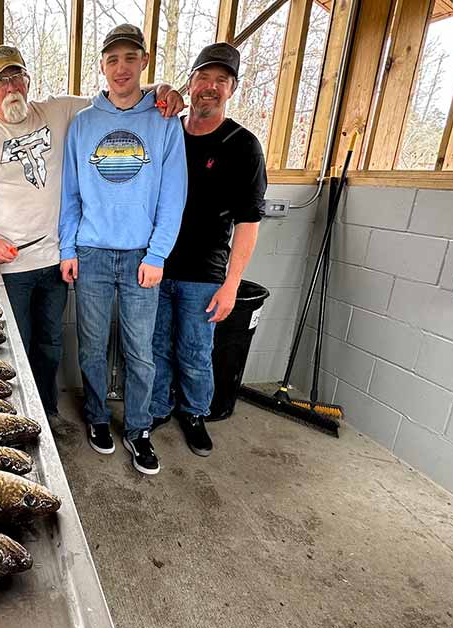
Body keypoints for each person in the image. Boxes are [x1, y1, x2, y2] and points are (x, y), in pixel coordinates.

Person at [0, 45, 183, 419]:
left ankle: (46, 414)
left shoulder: (58, 111)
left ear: (28, 81)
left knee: (50, 344)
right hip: (9, 265)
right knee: (13, 346)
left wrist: (163, 89)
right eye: (0, 81)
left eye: (17, 77)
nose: (11, 87)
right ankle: (12, 417)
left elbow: (118, 94)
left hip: (55, 257)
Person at [58, 24, 187, 475]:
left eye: (130, 58)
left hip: (140, 257)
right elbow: (70, 194)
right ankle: (96, 417)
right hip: (91, 252)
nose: (121, 68)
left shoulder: (165, 122)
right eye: (112, 60)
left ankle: (138, 430)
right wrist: (67, 247)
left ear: (144, 63)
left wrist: (157, 255)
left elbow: (174, 196)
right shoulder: (84, 124)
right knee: (92, 346)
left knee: (139, 350)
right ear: (101, 66)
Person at [150, 43, 264, 456]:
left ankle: (195, 412)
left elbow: (248, 224)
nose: (210, 88)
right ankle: (159, 405)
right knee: (155, 344)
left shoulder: (242, 145)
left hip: (204, 273)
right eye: (203, 78)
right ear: (190, 82)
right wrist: (161, 87)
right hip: (155, 265)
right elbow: (124, 95)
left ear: (232, 88)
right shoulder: (166, 131)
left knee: (196, 350)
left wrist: (231, 285)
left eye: (221, 80)